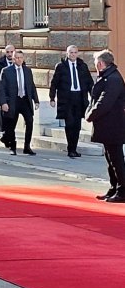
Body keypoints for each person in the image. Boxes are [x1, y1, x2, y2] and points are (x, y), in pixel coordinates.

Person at [86, 49, 125, 202]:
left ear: (101, 63)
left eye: (96, 62)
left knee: (116, 159)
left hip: (113, 125)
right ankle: (114, 187)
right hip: (107, 124)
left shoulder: (113, 79)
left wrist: (90, 115)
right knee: (110, 158)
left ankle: (122, 190)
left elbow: (104, 102)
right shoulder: (107, 76)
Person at [49, 45, 94, 158]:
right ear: (67, 53)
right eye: (71, 52)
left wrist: (93, 97)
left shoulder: (82, 66)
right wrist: (52, 98)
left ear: (77, 53)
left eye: (75, 52)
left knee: (77, 125)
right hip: (66, 99)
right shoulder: (61, 66)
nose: (73, 54)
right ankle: (70, 149)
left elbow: (89, 82)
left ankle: (74, 148)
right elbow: (54, 83)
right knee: (69, 124)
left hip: (79, 98)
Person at [0, 49, 39, 156]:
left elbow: (32, 86)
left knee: (29, 122)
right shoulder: (6, 71)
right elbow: (2, 88)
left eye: (21, 58)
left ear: (23, 58)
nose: (19, 60)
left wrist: (36, 100)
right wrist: (3, 103)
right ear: (13, 58)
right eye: (17, 57)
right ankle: (12, 146)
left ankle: (27, 146)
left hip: (25, 100)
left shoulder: (27, 71)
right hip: (13, 101)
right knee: (11, 125)